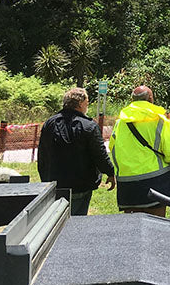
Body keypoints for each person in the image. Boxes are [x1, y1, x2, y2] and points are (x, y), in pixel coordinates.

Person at [37, 87, 116, 216]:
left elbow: (42, 155)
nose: (87, 106)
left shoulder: (49, 123)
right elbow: (99, 155)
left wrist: (45, 179)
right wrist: (110, 172)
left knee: (55, 223)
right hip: (80, 186)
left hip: (54, 185)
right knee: (76, 224)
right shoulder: (89, 126)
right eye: (87, 103)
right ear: (80, 104)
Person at [109, 85, 170, 216]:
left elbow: (113, 148)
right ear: (151, 98)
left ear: (132, 100)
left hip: (127, 185)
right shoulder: (161, 121)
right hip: (156, 183)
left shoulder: (119, 123)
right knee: (156, 226)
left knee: (132, 229)